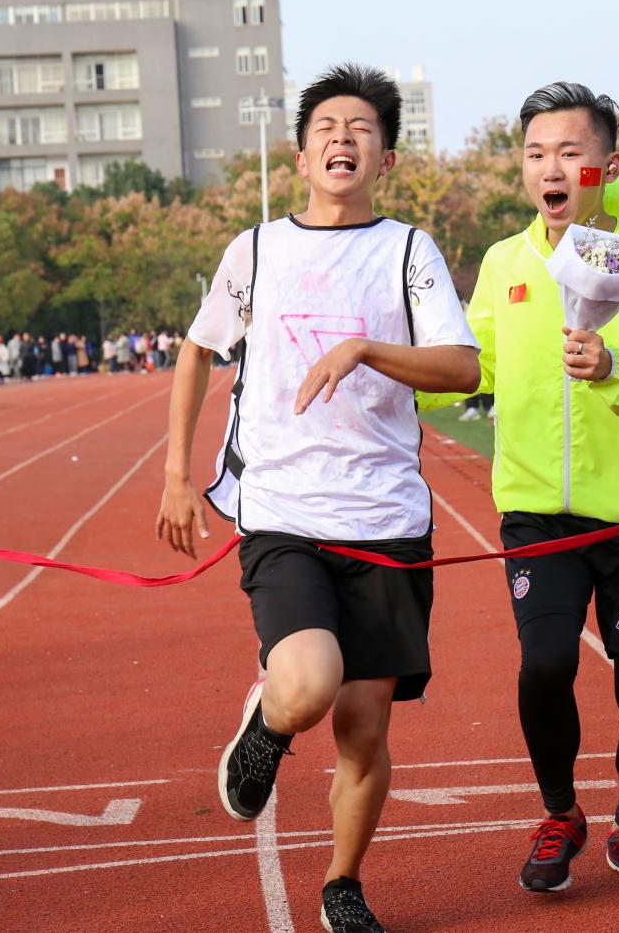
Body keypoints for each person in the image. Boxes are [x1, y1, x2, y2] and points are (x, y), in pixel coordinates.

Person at [157, 64, 478, 933]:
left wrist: (366, 349)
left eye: (362, 128)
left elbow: (461, 367)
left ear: (386, 158)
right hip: (285, 513)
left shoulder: (408, 252)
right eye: (327, 128)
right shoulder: (256, 251)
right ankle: (268, 722)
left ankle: (343, 884)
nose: (343, 138)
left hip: (387, 520)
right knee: (308, 685)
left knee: (364, 727)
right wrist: (178, 474)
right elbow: (198, 350)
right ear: (301, 157)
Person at [440, 81, 619, 893]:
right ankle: (560, 812)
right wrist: (387, 374)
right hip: (537, 511)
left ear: (607, 166)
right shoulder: (505, 263)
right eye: (535, 153)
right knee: (544, 665)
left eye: (570, 153)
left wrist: (614, 364)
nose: (550, 169)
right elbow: (471, 364)